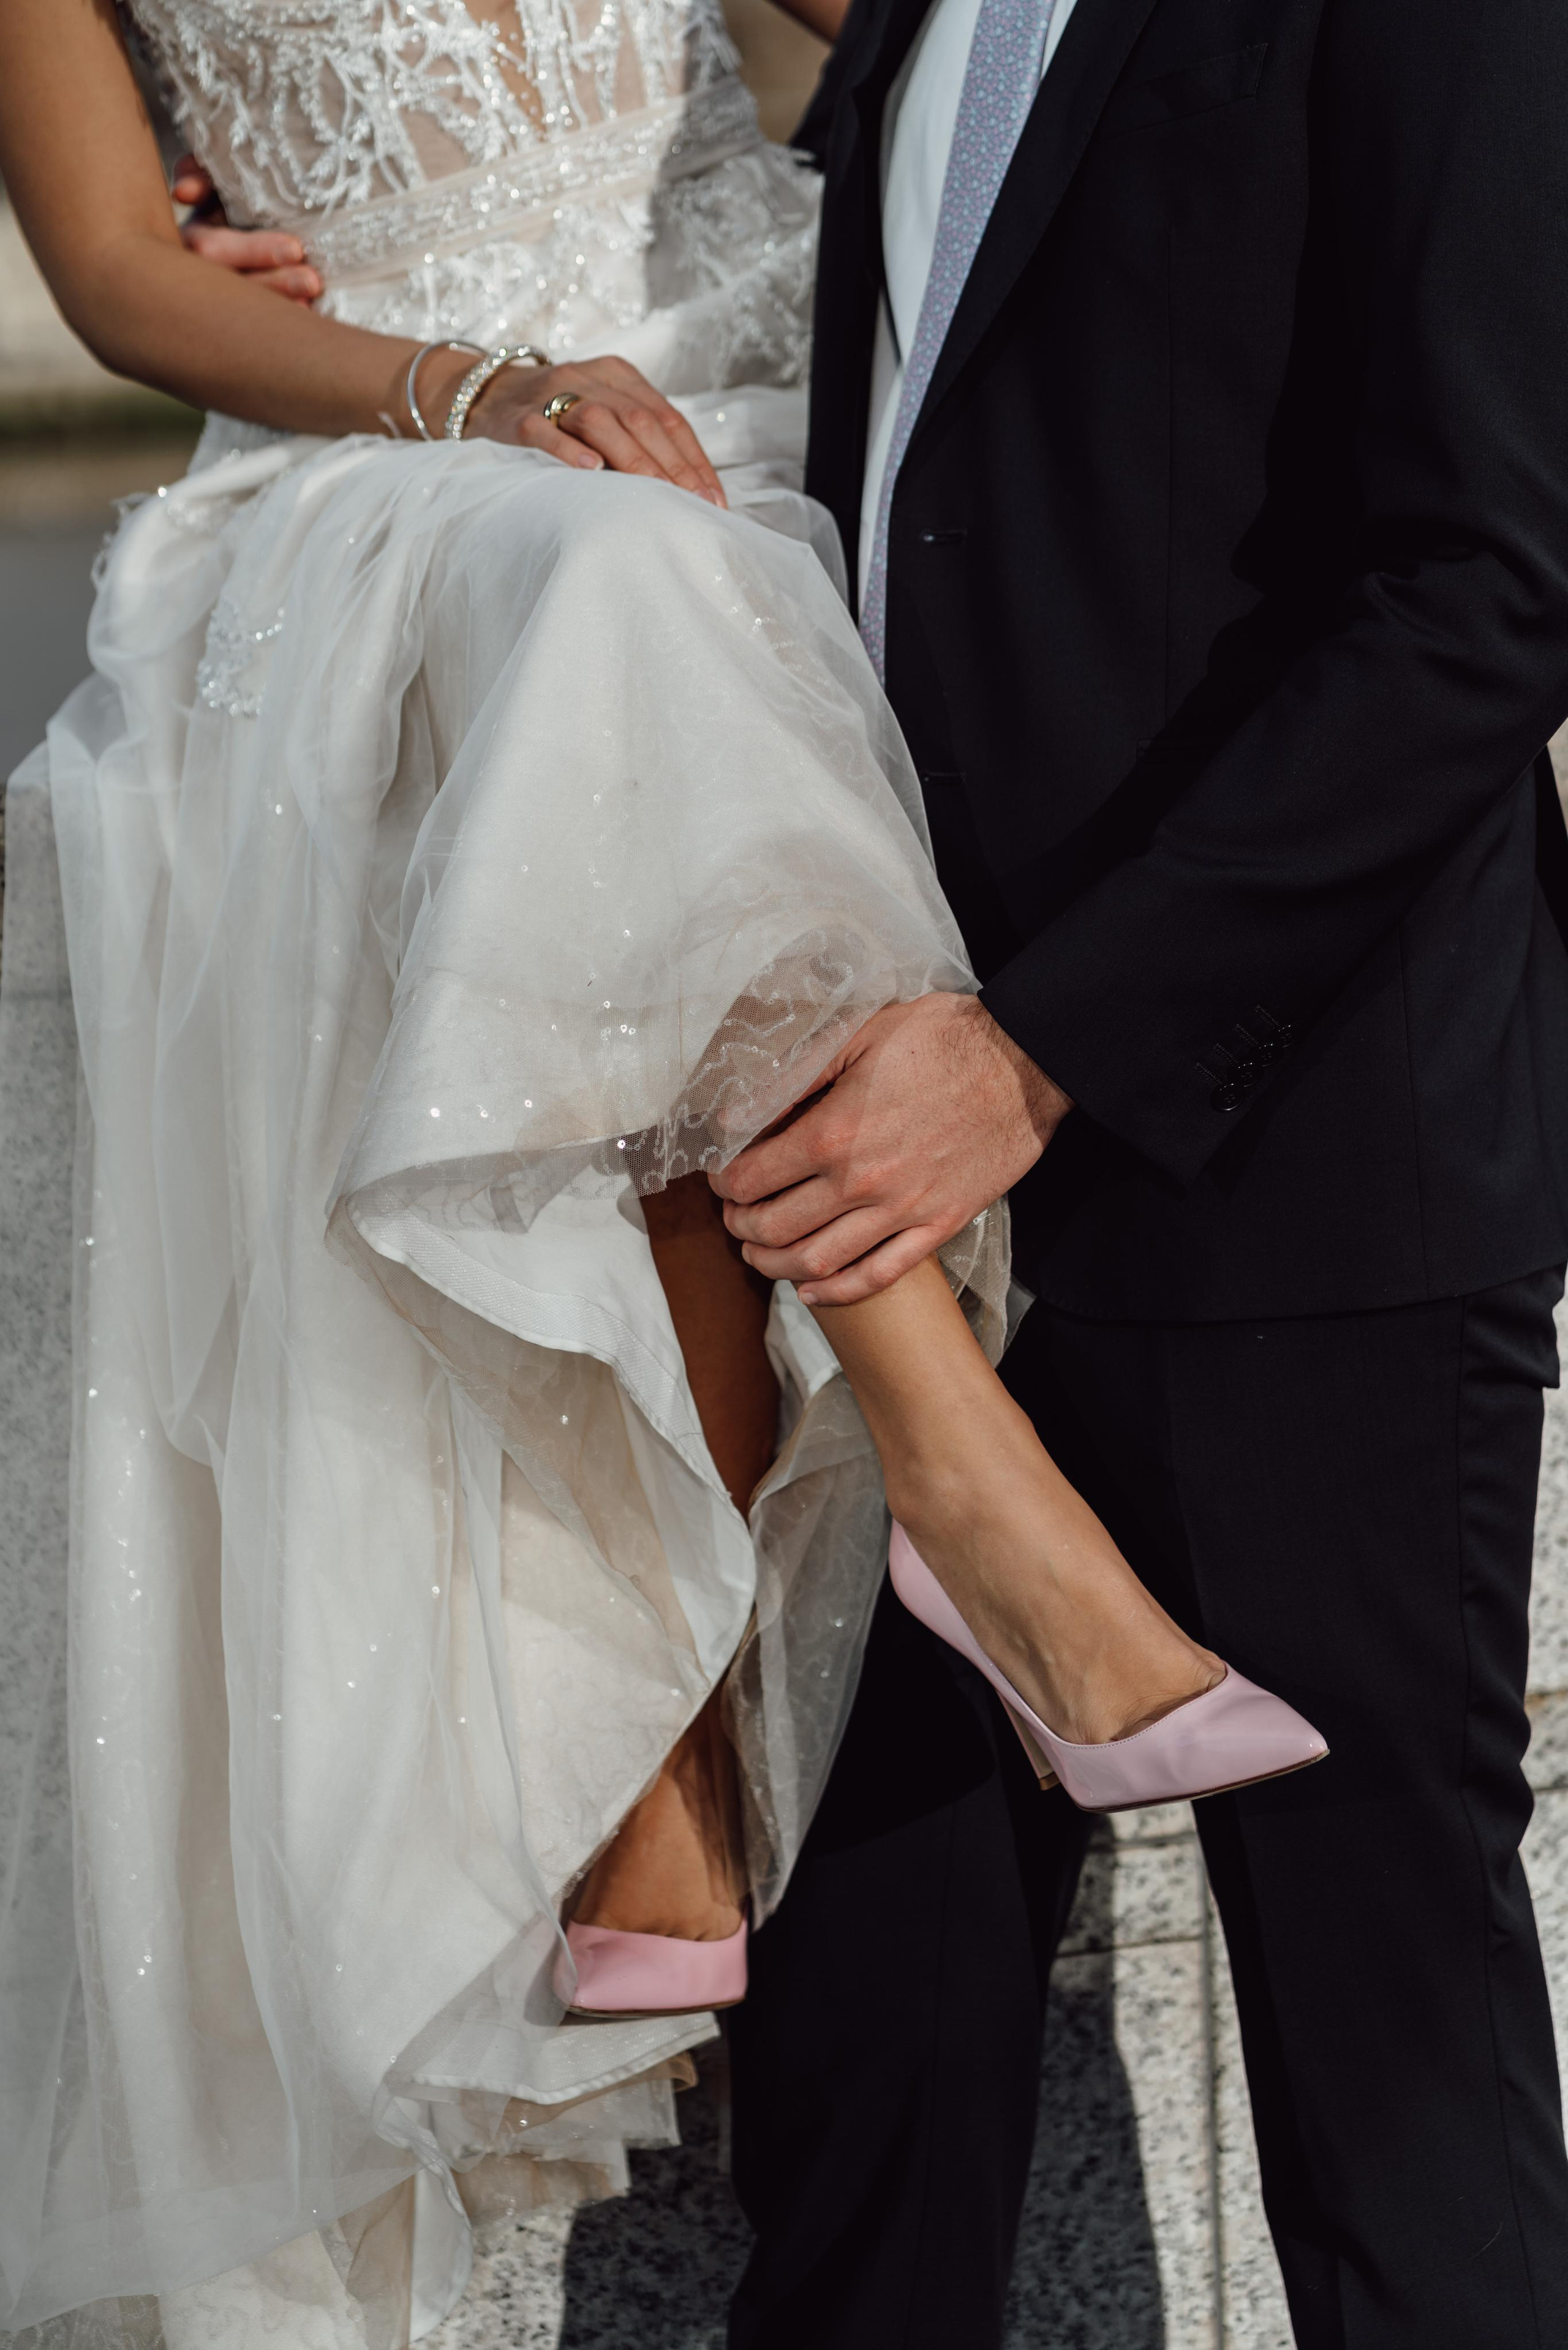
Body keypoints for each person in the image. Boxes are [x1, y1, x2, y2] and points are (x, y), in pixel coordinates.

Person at [0, 0, 1321, 2340]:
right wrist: (469, 390)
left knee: (695, 602)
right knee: (627, 597)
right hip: (400, 456)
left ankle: (694, 1744)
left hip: (764, 399)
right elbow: (112, 271)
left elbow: (915, 33)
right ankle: (959, 1469)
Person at [717, 1, 1568, 2346]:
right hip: (900, 1240)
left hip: (1304, 1177)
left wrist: (1048, 1049)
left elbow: (1490, 581)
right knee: (859, 2095)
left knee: (1395, 2098)